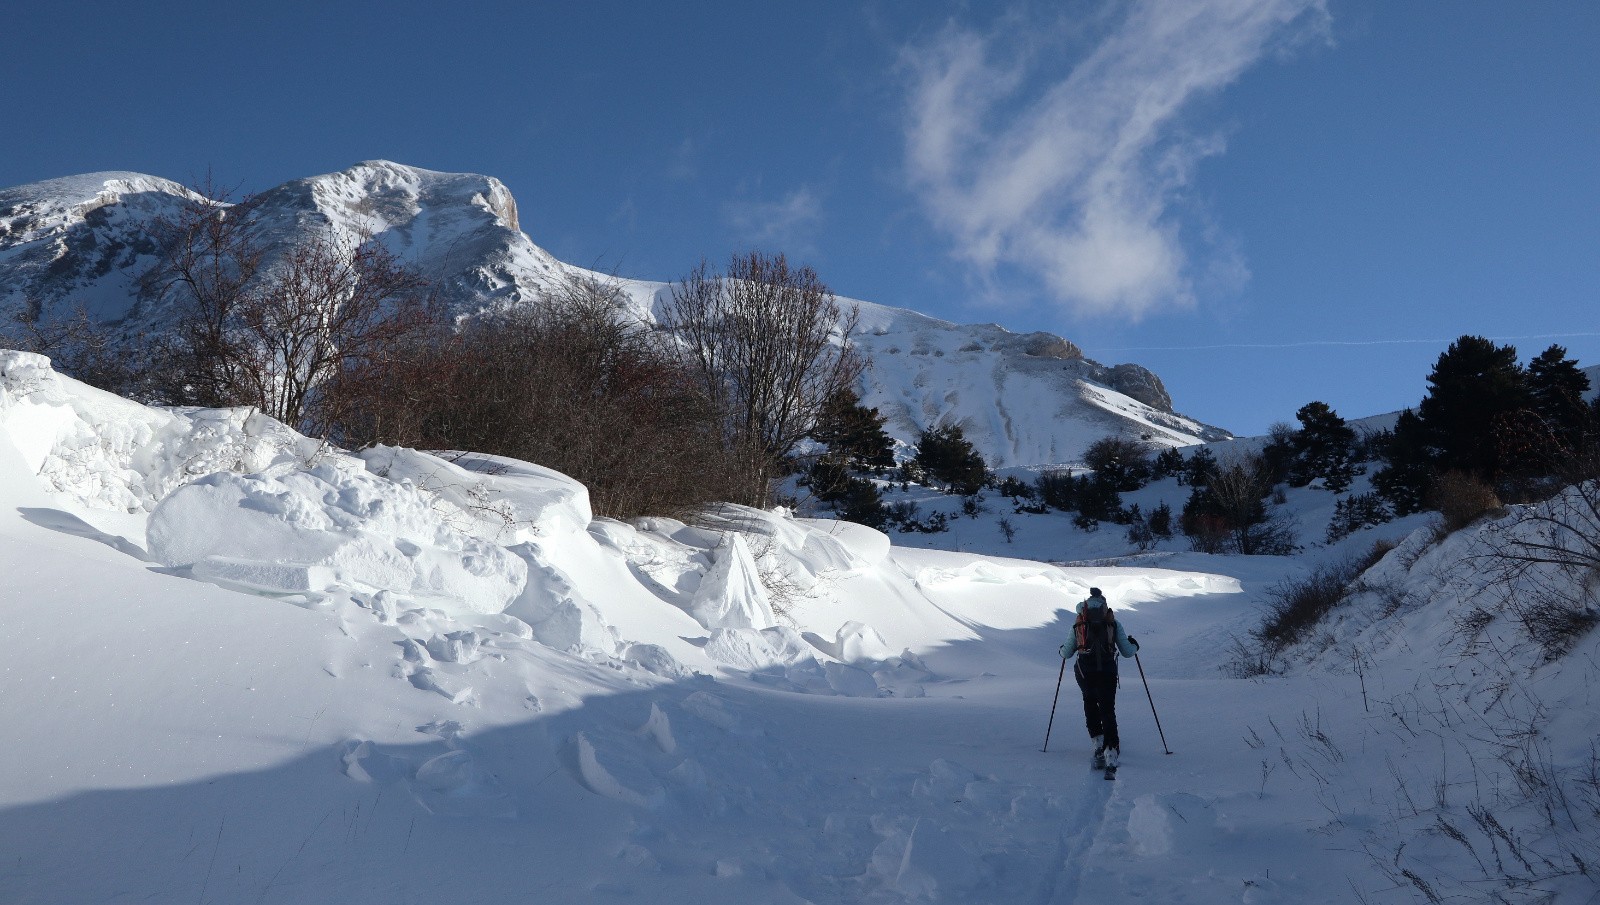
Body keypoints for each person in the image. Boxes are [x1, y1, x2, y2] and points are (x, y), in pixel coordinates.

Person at [1062, 587, 1139, 769]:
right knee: (1107, 709)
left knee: (1089, 703)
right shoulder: (1112, 622)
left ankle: (1097, 741)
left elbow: (1066, 653)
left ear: (1086, 604)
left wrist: (1061, 649)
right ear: (1104, 604)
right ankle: (1111, 750)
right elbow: (1127, 652)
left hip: (1084, 672)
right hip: (1107, 672)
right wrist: (1135, 645)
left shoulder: (1080, 622)